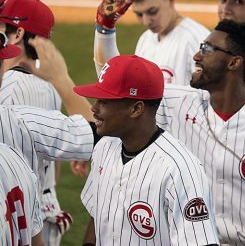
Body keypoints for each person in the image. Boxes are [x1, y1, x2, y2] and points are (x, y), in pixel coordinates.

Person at [155, 19, 245, 245]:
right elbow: (122, 86)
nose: (196, 56)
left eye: (207, 49)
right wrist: (105, 31)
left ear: (234, 63)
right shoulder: (177, 103)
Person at [75, 54, 219, 246]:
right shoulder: (104, 148)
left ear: (136, 109)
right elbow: (97, 214)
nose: (94, 109)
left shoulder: (179, 170)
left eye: (104, 102)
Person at [0, 0, 72, 245]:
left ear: (18, 34)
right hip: (41, 206)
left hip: (16, 213)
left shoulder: (7, 87)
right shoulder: (50, 83)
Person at [93, 0, 210, 85]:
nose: (146, 21)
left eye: (152, 11)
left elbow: (211, 96)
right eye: (139, 14)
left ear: (170, 0)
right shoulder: (145, 40)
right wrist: (105, 31)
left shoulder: (197, 39)